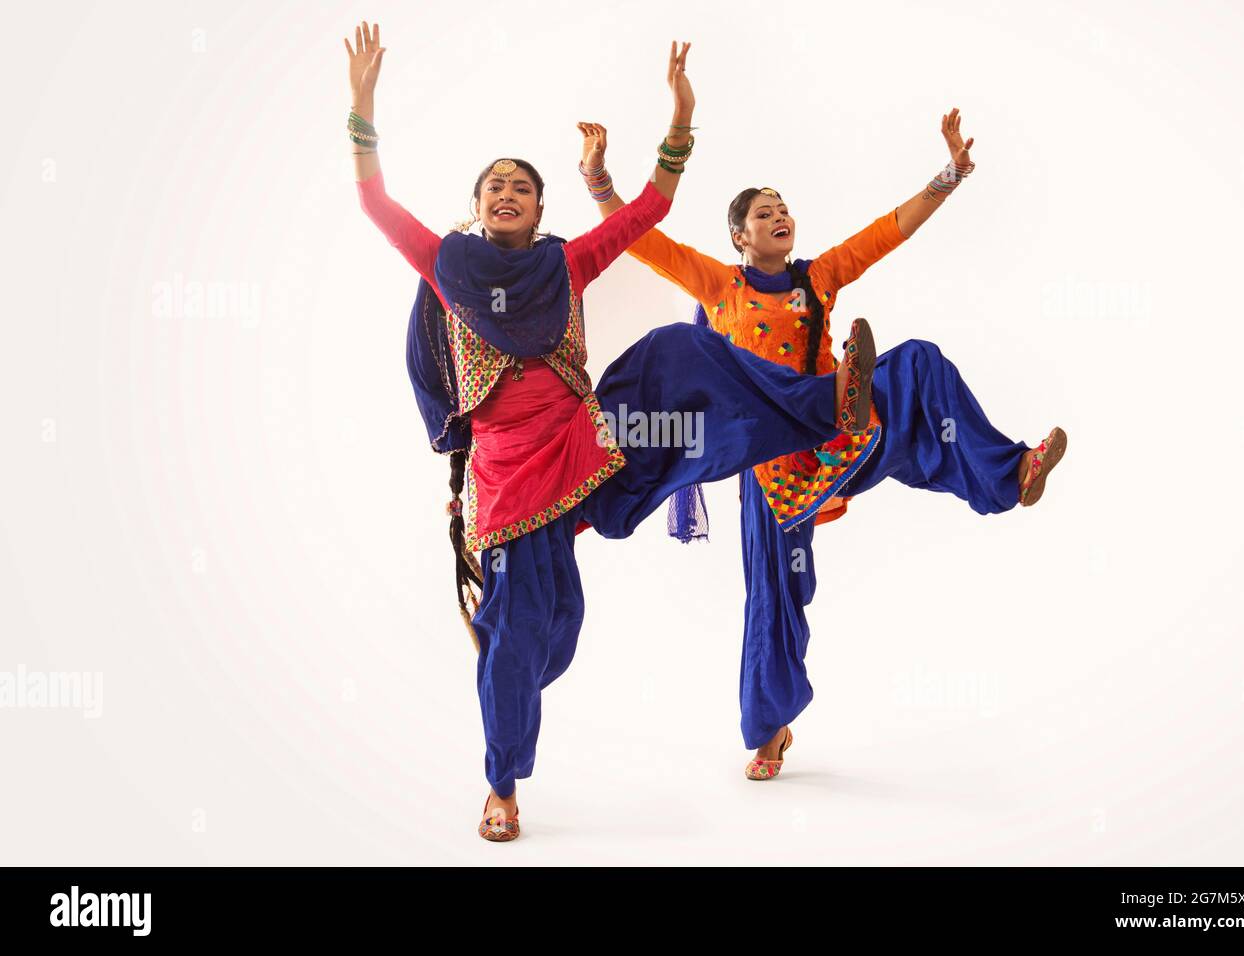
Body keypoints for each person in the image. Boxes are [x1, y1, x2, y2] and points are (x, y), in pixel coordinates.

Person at [345, 24, 875, 841]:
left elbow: (653, 208)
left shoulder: (567, 263)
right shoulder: (445, 265)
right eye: (495, 184)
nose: (509, 190)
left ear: (541, 208)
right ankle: (503, 786)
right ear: (479, 206)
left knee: (684, 349)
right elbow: (375, 204)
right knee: (540, 635)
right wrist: (364, 107)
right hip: (513, 479)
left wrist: (680, 118)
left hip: (592, 442)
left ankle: (825, 408)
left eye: (523, 183)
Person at [575, 110, 1067, 781]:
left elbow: (884, 234)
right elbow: (643, 242)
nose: (780, 217)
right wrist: (599, 181)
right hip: (768, 464)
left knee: (919, 363)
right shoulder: (719, 285)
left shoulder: (819, 277)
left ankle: (1011, 476)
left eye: (784, 209)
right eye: (764, 212)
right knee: (779, 592)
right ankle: (770, 729)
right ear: (739, 236)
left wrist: (949, 175)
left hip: (837, 436)